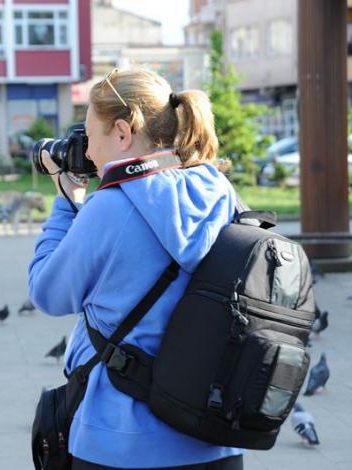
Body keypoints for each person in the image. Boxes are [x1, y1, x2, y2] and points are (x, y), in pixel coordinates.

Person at [28, 67, 243, 469]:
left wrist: (66, 203)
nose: (88, 153)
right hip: (216, 438)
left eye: (91, 138)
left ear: (123, 133)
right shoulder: (220, 192)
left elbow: (47, 292)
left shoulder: (110, 207)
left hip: (122, 444)